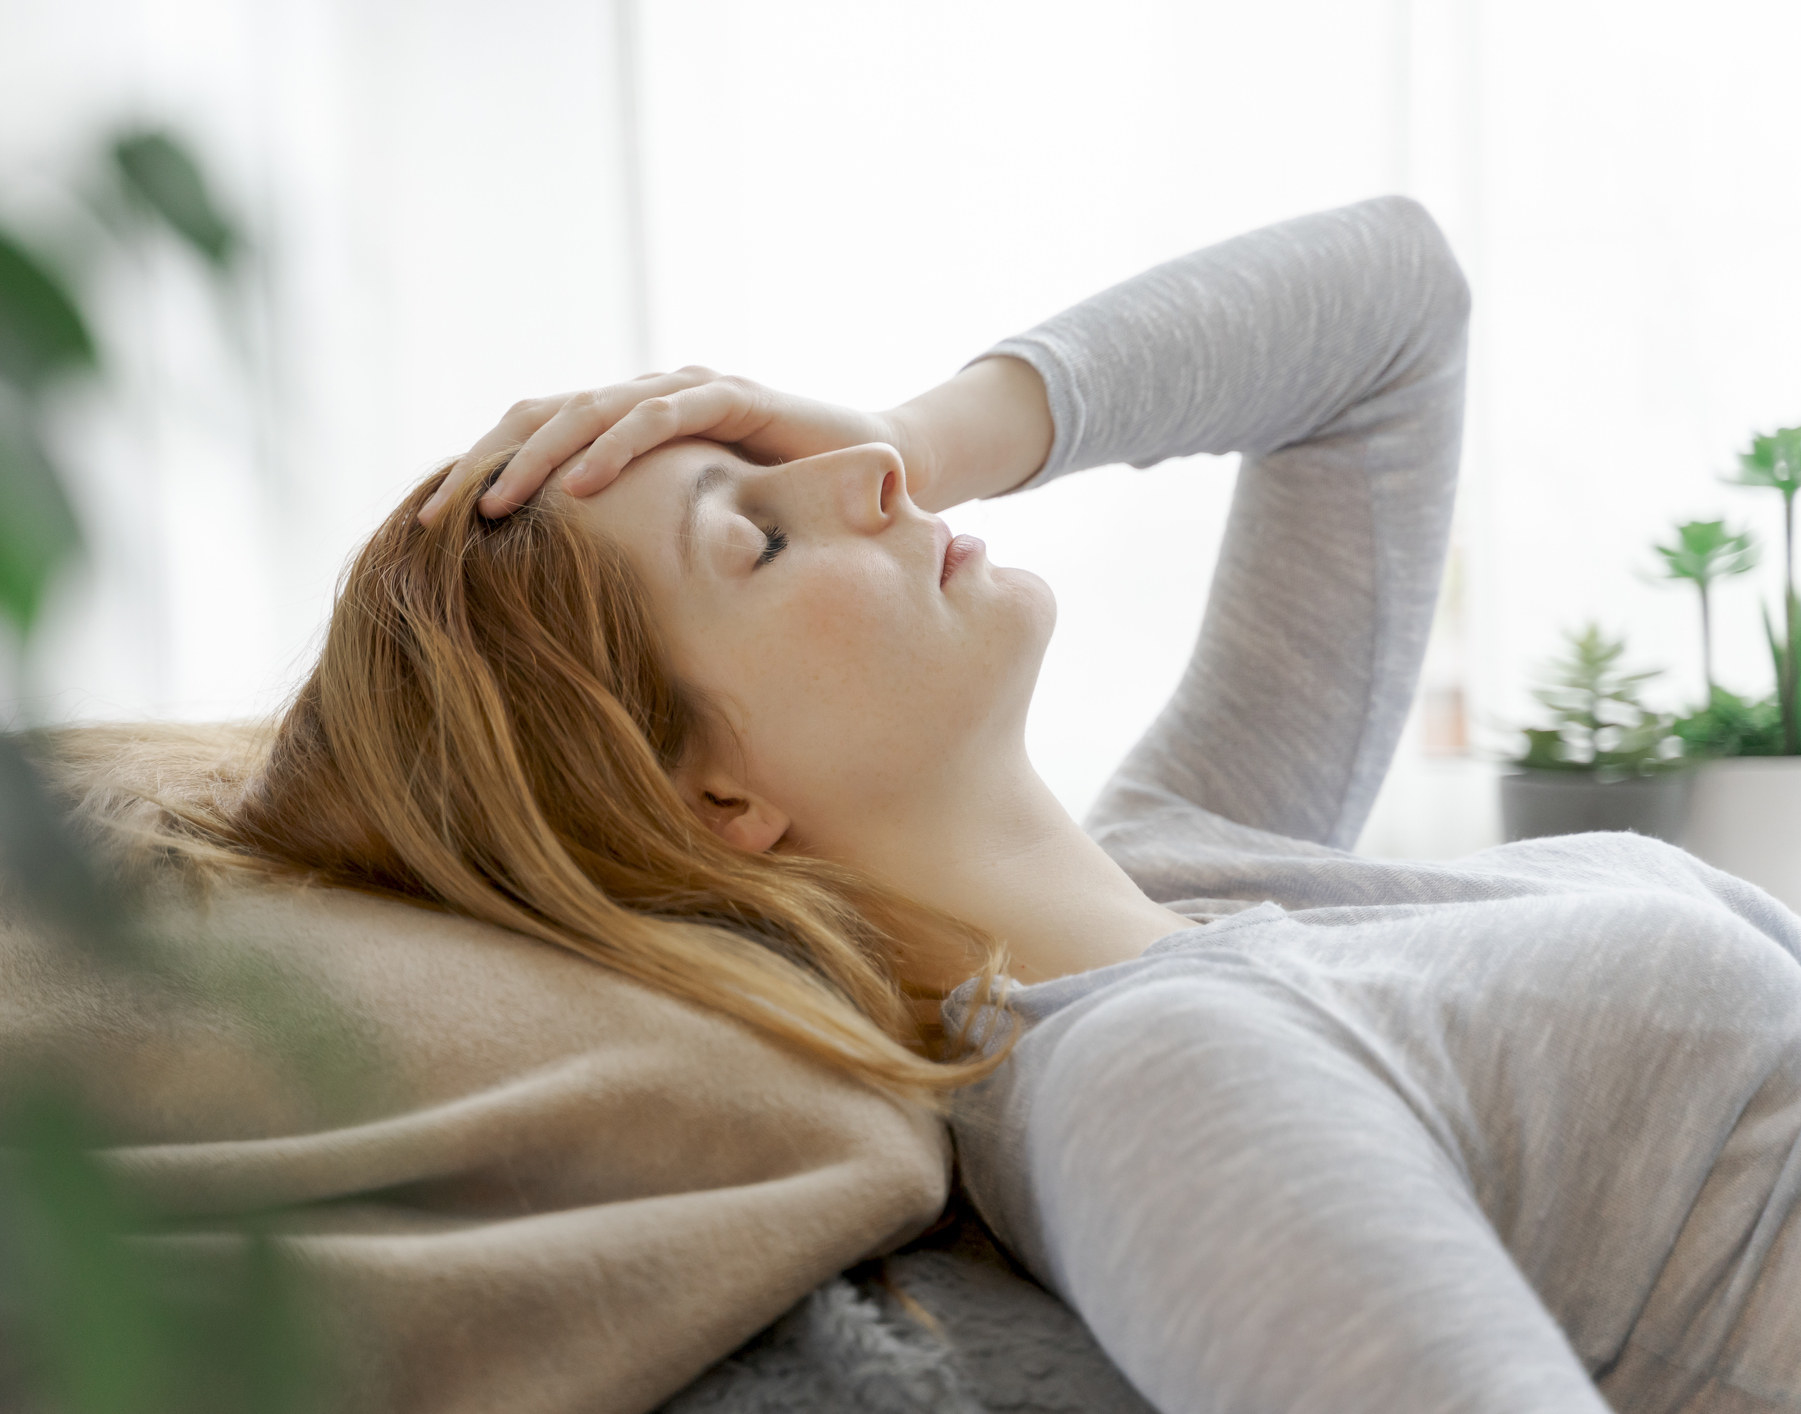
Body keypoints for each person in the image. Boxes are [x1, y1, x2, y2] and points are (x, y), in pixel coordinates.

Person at [229, 196, 1801, 1412]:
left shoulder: (1196, 856)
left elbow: (1394, 307)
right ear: (708, 795)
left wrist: (920, 429)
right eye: (756, 538)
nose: (867, 484)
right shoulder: (1157, 1080)